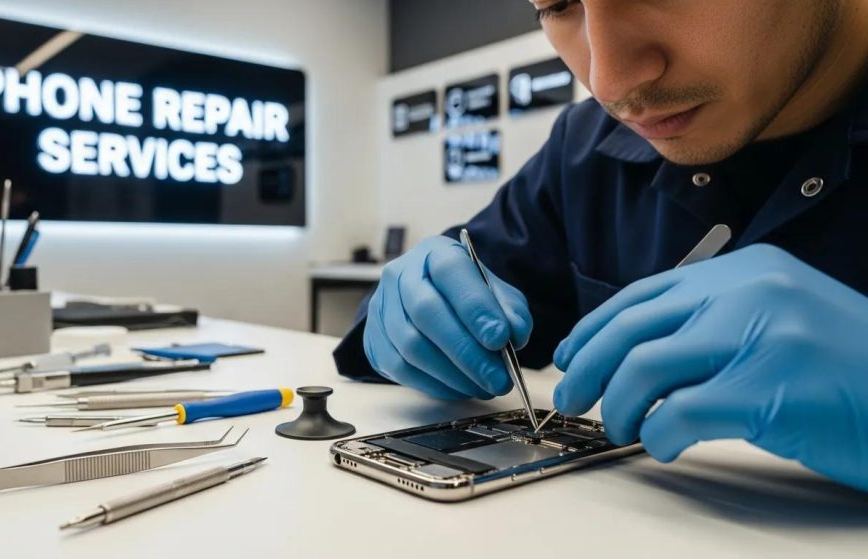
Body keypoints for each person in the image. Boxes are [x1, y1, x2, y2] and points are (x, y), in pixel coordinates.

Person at [332, 0, 868, 492]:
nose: (609, 81)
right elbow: (461, 292)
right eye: (558, 4)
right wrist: (411, 315)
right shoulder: (586, 146)